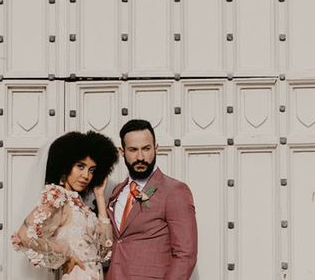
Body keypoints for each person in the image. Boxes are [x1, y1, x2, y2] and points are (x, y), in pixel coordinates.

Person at [12, 131, 119, 279]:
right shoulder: (57, 197)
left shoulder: (81, 205)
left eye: (92, 170)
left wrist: (100, 197)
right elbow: (24, 236)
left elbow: (105, 251)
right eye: (80, 166)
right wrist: (66, 254)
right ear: (65, 165)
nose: (86, 176)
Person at [106, 119, 197, 280]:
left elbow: (185, 255)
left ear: (156, 148)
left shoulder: (175, 191)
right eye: (133, 150)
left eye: (146, 149)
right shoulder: (117, 191)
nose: (140, 157)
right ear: (122, 151)